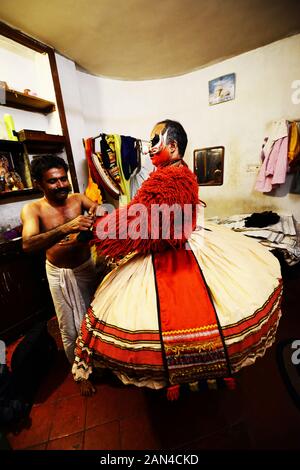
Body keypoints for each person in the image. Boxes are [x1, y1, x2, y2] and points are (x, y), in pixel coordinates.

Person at [72, 120, 282, 398]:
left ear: (172, 146)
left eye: (154, 142)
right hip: (185, 241)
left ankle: (183, 372)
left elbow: (140, 220)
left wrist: (99, 231)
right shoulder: (182, 172)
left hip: (171, 251)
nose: (149, 149)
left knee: (167, 314)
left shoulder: (167, 179)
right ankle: (204, 372)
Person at [21, 155, 100, 384]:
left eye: (63, 179)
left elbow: (100, 210)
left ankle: (99, 362)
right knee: (69, 327)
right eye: (53, 181)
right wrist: (68, 227)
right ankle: (80, 373)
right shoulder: (33, 209)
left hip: (86, 268)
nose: (61, 185)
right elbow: (27, 244)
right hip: (59, 274)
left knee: (94, 320)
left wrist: (93, 219)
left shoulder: (77, 199)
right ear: (39, 184)